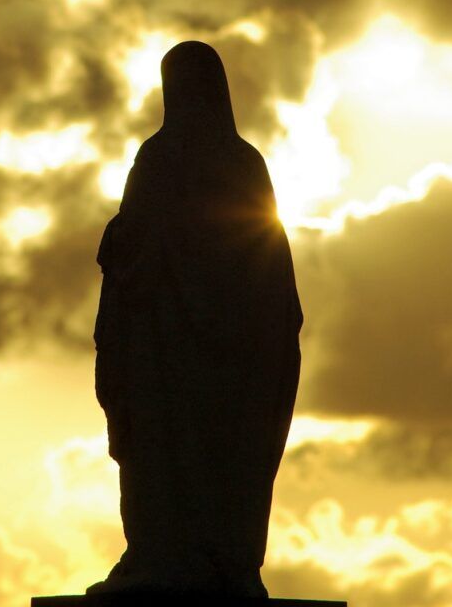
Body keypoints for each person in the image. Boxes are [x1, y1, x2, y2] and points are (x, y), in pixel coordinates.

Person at [87, 40, 303, 597]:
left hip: (166, 355)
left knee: (166, 454)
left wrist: (117, 239)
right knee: (224, 457)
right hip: (235, 360)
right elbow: (271, 260)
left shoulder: (160, 158)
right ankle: (214, 560)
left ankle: (166, 559)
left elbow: (134, 246)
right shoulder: (245, 162)